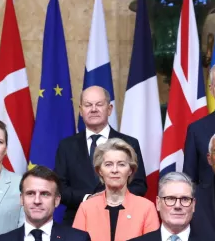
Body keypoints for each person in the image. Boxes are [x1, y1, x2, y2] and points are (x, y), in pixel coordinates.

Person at [55, 86, 148, 225]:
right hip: (77, 221)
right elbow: (59, 187)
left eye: (99, 104)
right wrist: (88, 199)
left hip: (121, 220)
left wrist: (111, 199)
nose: (93, 109)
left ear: (109, 109)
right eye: (88, 105)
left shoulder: (129, 143)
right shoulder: (66, 146)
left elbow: (139, 185)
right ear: (80, 110)